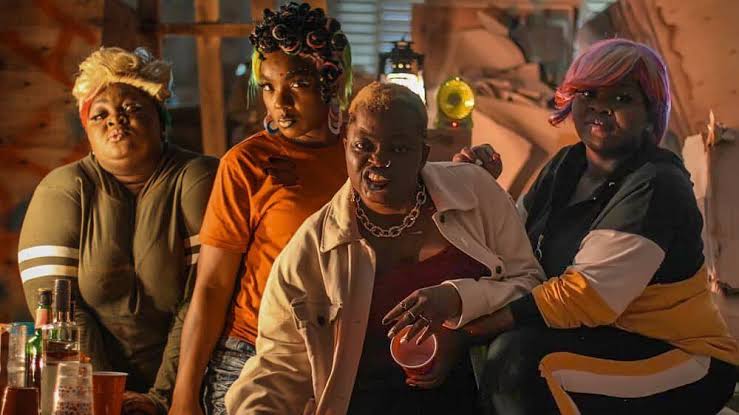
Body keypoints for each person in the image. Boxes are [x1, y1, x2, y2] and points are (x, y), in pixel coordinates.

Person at [454, 38, 739, 414]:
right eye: (588, 92)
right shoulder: (566, 165)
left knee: (519, 363)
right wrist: (481, 189)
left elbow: (587, 295)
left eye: (622, 98)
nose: (601, 106)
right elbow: (514, 246)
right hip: (602, 337)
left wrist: (475, 329)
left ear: (651, 113)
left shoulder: (656, 184)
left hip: (683, 355)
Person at [223, 82, 543, 415]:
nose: (378, 160)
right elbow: (280, 366)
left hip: (481, 396)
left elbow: (533, 286)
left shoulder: (475, 192)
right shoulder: (312, 250)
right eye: (363, 146)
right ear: (345, 146)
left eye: (399, 148)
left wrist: (457, 301)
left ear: (423, 154)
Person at [18, 47, 218, 414]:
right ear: (87, 131)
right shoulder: (62, 190)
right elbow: (59, 315)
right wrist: (101, 395)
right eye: (100, 115)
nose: (116, 121)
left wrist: (163, 397)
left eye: (133, 109)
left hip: (192, 386)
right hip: (86, 387)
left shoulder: (198, 178)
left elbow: (205, 297)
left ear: (161, 120)